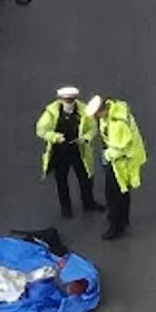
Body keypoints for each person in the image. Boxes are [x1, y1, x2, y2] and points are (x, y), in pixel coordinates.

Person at [36, 86, 102, 219]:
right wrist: (55, 137)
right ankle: (66, 208)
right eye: (66, 100)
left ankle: (88, 202)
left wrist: (84, 138)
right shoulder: (51, 112)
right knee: (61, 180)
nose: (69, 103)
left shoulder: (84, 110)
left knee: (86, 178)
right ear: (60, 99)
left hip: (79, 150)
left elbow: (93, 128)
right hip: (60, 151)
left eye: (71, 100)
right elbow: (41, 130)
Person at [95, 96, 147, 240]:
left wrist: (107, 155)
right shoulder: (117, 110)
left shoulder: (117, 124)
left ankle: (116, 226)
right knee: (123, 192)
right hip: (124, 160)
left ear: (102, 110)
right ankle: (123, 219)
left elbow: (121, 148)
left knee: (113, 194)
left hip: (121, 162)